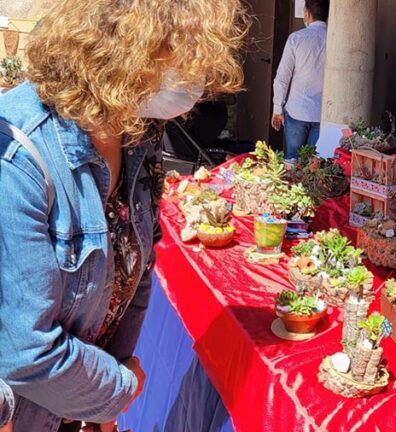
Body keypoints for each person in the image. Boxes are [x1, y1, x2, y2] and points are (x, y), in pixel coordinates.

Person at [0, 0, 246, 431]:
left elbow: (139, 263)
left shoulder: (137, 131)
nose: (193, 78)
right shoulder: (23, 158)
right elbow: (25, 349)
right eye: (180, 55)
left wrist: (101, 407)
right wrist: (119, 387)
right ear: (126, 47)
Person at [271, 0, 330, 160]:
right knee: (315, 166)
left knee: (292, 161)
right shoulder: (336, 41)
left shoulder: (296, 39)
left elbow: (282, 77)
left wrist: (278, 109)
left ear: (307, 14)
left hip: (297, 110)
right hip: (323, 115)